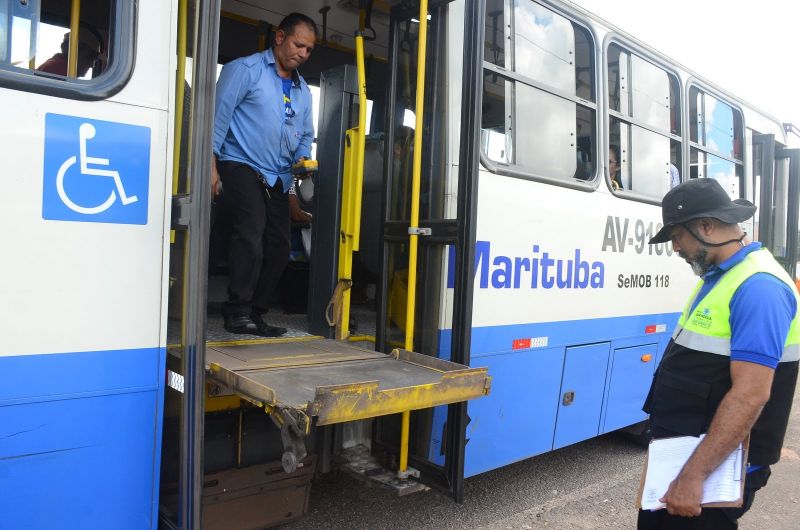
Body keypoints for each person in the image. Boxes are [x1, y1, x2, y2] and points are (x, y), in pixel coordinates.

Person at [638, 178, 799, 529]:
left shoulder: (759, 288)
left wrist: (693, 477)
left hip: (711, 469)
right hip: (689, 455)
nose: (676, 248)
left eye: (678, 236)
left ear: (706, 226)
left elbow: (750, 393)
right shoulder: (721, 276)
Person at [211, 13, 317, 336]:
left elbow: (305, 137)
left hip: (279, 178)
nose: (303, 53)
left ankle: (256, 313)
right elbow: (216, 120)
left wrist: (303, 159)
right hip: (239, 164)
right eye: (299, 44)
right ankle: (237, 310)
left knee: (279, 247)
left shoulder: (303, 92)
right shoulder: (244, 70)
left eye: (309, 50)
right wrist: (210, 169)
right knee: (251, 233)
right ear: (280, 37)